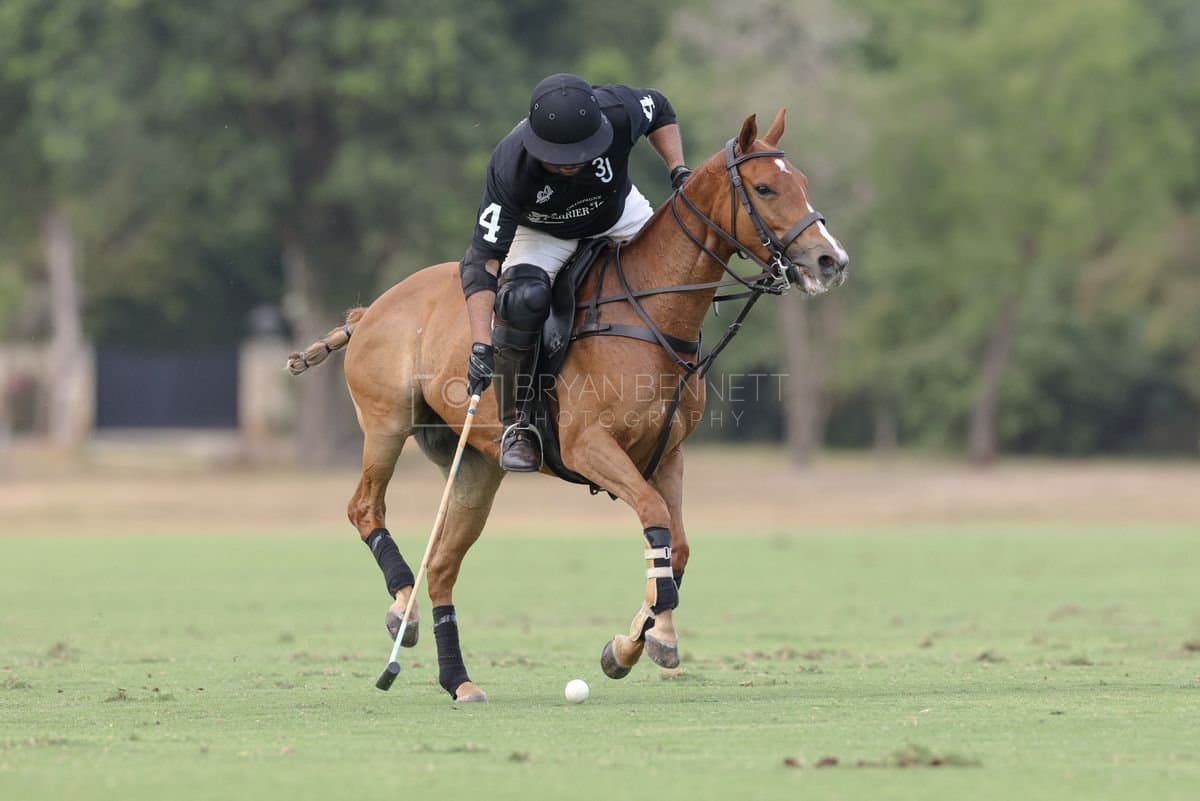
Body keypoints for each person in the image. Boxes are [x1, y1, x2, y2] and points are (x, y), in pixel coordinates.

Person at [459, 72, 691, 472]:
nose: (571, 165)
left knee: (679, 269)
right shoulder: (510, 166)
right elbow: (483, 262)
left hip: (618, 214)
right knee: (521, 301)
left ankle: (684, 387)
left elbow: (661, 110)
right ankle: (518, 425)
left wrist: (679, 171)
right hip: (543, 233)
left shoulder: (619, 110)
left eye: (580, 154)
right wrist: (482, 346)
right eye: (560, 158)